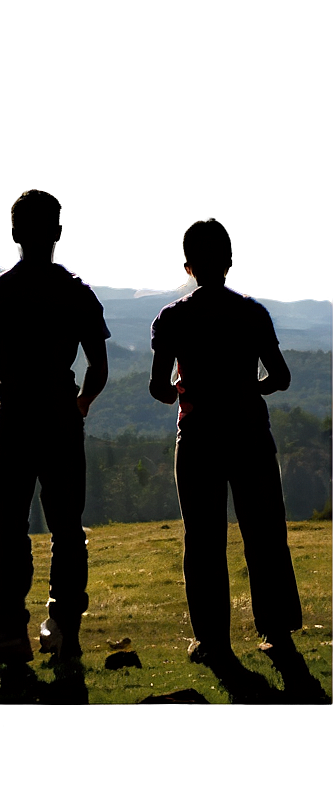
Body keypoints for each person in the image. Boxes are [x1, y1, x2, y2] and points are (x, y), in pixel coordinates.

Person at [0, 188, 109, 666]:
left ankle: (7, 631)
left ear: (15, 233)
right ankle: (65, 629)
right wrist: (80, 402)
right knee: (67, 528)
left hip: (14, 419)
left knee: (10, 530)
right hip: (61, 419)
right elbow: (98, 366)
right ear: (58, 233)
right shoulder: (78, 292)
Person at [148, 218, 302, 670]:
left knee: (203, 539)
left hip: (198, 437)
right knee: (265, 533)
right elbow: (282, 377)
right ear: (230, 263)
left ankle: (213, 640)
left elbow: (158, 387)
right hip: (251, 433)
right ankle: (276, 633)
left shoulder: (173, 318)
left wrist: (180, 389)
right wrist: (251, 388)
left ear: (187, 265)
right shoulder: (252, 313)